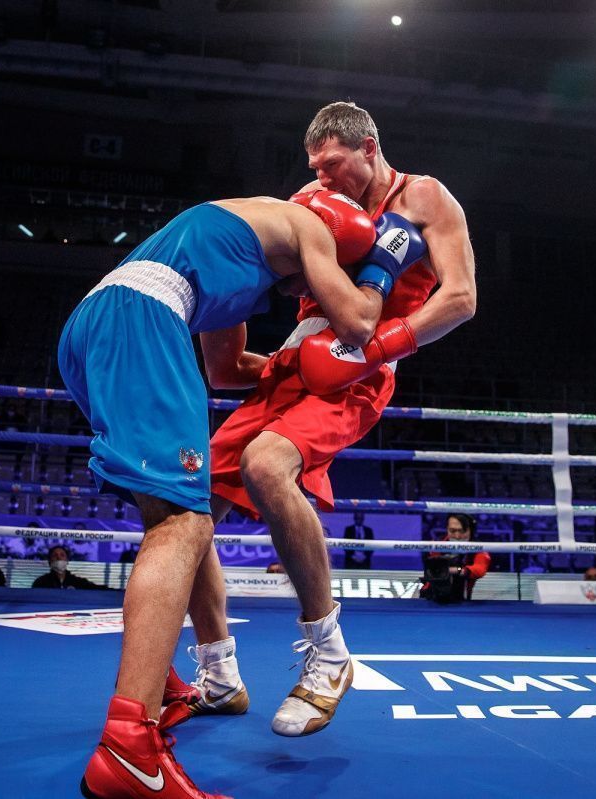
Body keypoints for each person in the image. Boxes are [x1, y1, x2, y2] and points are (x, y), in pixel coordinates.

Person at [59, 192, 413, 799]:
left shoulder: (235, 248)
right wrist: (383, 263)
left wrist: (296, 361)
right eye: (329, 272)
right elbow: (358, 322)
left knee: (178, 512)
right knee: (181, 526)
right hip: (144, 321)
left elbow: (225, 370)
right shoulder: (309, 224)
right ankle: (129, 747)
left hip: (92, 324)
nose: (309, 290)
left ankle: (173, 685)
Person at [185, 101, 477, 739]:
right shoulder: (310, 201)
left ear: (369, 147)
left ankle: (329, 653)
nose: (322, 177)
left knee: (266, 465)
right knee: (187, 510)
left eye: (333, 164)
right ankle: (218, 674)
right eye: (315, 166)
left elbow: (460, 298)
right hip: (297, 359)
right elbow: (269, 281)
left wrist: (379, 347)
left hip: (362, 367)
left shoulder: (424, 198)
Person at [419, 513, 491, 603]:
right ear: (447, 529)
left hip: (461, 599)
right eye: (452, 531)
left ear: (471, 530)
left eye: (462, 531)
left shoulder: (479, 548)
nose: (457, 536)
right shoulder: (437, 545)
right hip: (430, 598)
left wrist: (458, 570)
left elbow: (480, 569)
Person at [30, 545, 107, 590]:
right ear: (49, 561)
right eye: (55, 555)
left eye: (62, 555)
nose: (59, 558)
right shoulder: (40, 582)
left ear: (67, 561)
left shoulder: (78, 582)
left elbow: (96, 589)